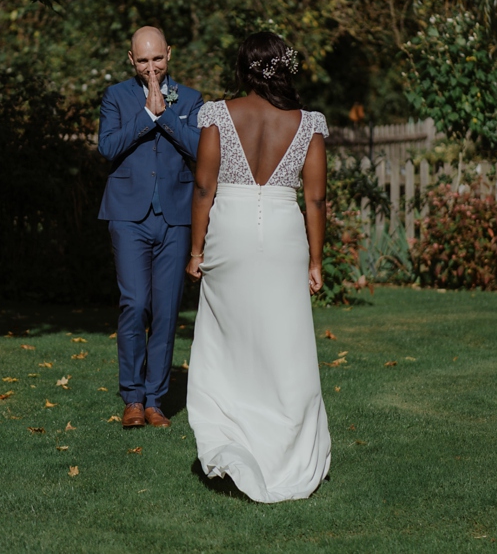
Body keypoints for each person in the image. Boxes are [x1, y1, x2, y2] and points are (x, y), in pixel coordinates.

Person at [185, 32, 331, 502]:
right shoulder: (307, 124)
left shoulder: (217, 115)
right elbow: (315, 198)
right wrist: (316, 260)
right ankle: (287, 445)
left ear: (245, 68)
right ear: (283, 69)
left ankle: (232, 435)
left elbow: (204, 189)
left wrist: (195, 251)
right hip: (284, 235)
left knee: (228, 339)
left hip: (231, 233)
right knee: (284, 340)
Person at [97, 26, 204, 428]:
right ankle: (132, 398)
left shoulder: (191, 100)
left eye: (156, 59)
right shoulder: (116, 97)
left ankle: (155, 400)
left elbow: (198, 149)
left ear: (169, 54)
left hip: (176, 217)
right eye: (142, 61)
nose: (150, 68)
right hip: (127, 215)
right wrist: (145, 115)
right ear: (130, 60)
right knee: (134, 304)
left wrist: (167, 115)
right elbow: (107, 147)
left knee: (165, 310)